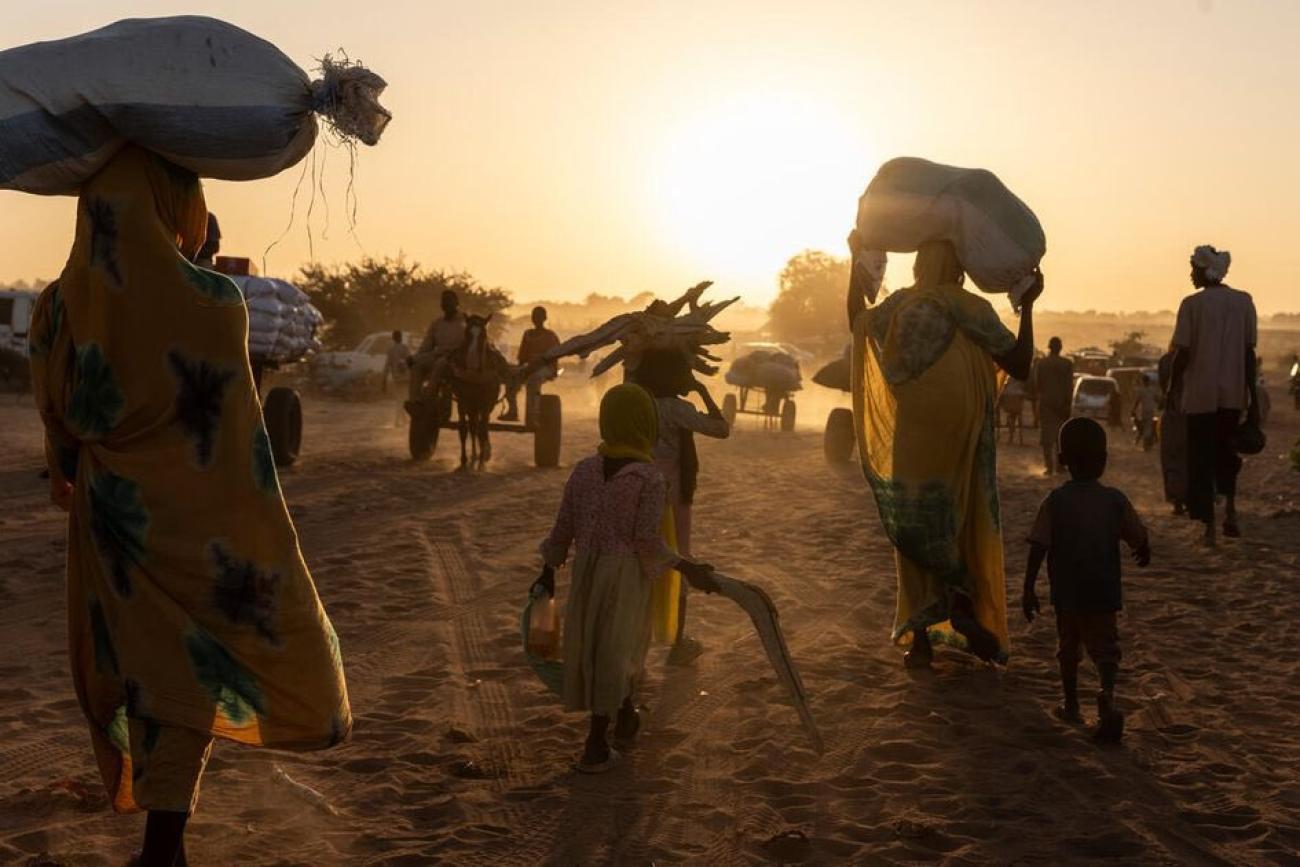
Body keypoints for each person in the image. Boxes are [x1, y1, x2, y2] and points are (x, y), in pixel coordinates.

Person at [26, 147, 350, 867]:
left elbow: (56, 418)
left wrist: (81, 466)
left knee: (138, 663)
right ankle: (164, 843)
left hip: (112, 521)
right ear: (179, 207)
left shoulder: (57, 305)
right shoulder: (212, 305)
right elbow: (237, 428)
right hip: (203, 522)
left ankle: (162, 840)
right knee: (192, 668)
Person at [847, 237, 1041, 667]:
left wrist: (854, 262)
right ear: (961, 269)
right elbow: (1023, 362)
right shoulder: (968, 306)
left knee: (915, 514)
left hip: (915, 430)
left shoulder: (899, 305)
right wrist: (1028, 304)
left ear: (918, 266)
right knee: (959, 514)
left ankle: (921, 639)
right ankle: (961, 605)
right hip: (960, 427)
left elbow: (857, 322)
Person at [533, 384, 717, 772]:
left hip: (587, 571)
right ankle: (596, 744)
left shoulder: (584, 470)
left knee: (599, 645)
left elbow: (561, 528)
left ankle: (627, 716)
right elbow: (647, 541)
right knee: (620, 650)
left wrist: (548, 572)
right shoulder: (649, 479)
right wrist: (688, 569)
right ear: (644, 423)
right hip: (625, 575)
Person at [1023, 418, 1150, 743]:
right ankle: (1106, 693)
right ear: (1104, 460)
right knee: (1106, 648)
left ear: (1063, 461)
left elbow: (1038, 546)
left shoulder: (1055, 501)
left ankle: (1071, 704)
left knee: (1068, 649)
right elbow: (1136, 535)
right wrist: (1142, 549)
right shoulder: (1114, 500)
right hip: (1103, 590)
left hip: (1067, 592)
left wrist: (1028, 587)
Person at [628, 347, 731, 665]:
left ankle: (635, 641)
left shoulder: (636, 404)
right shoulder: (677, 409)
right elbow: (721, 428)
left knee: (639, 564)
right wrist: (703, 391)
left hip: (635, 492)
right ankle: (677, 641)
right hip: (672, 498)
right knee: (680, 559)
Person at [1168, 245, 1259, 545]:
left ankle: (1209, 528)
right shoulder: (1244, 302)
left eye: (1193, 268)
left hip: (1199, 397)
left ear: (1204, 270)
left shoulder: (1191, 305)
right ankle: (1230, 513)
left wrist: (1171, 389)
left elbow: (1183, 352)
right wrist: (1253, 401)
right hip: (1232, 397)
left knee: (1201, 460)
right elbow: (1248, 355)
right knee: (1226, 456)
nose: (1190, 274)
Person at [407, 289, 467, 406]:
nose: (446, 304)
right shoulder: (437, 323)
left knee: (440, 364)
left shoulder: (465, 321)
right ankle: (414, 401)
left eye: (449, 300)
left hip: (457, 357)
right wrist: (415, 357)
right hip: (438, 354)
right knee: (416, 364)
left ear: (456, 303)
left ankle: (428, 398)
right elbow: (427, 344)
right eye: (444, 301)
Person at [502, 306, 560, 423]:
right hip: (529, 366)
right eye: (534, 316)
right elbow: (522, 355)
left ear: (544, 318)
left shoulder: (550, 336)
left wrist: (538, 363)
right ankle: (512, 411)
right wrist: (519, 371)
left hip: (546, 368)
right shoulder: (528, 334)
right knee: (511, 378)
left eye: (539, 316)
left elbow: (554, 356)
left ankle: (533, 416)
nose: (536, 319)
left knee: (533, 381)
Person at [1034, 337, 1074, 475]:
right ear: (1060, 348)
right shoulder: (1067, 364)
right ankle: (1060, 466)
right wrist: (1068, 404)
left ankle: (1049, 467)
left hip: (1046, 404)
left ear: (1049, 347)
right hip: (1062, 404)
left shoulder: (1042, 364)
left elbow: (1037, 385)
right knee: (1061, 437)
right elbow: (1069, 387)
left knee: (1046, 438)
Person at [1157, 348, 1188, 515]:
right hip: (1189, 416)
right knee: (1187, 460)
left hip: (1171, 416)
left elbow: (1163, 388)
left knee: (1170, 459)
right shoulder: (1197, 360)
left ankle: (1176, 500)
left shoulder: (1164, 361)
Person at [384, 330, 412, 426]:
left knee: (399, 399)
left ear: (393, 338)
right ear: (401, 337)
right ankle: (399, 420)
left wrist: (383, 380)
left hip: (397, 378)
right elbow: (410, 362)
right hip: (406, 378)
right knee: (405, 399)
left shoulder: (390, 350)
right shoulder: (405, 348)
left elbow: (387, 366)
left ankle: (400, 420)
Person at [1131, 372, 1159, 451]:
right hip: (1150, 411)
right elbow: (1157, 399)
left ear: (1143, 381)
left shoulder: (1141, 390)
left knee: (1145, 427)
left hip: (1144, 411)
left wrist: (1133, 410)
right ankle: (1147, 445)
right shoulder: (1152, 390)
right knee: (1148, 427)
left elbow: (1137, 401)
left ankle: (1146, 445)